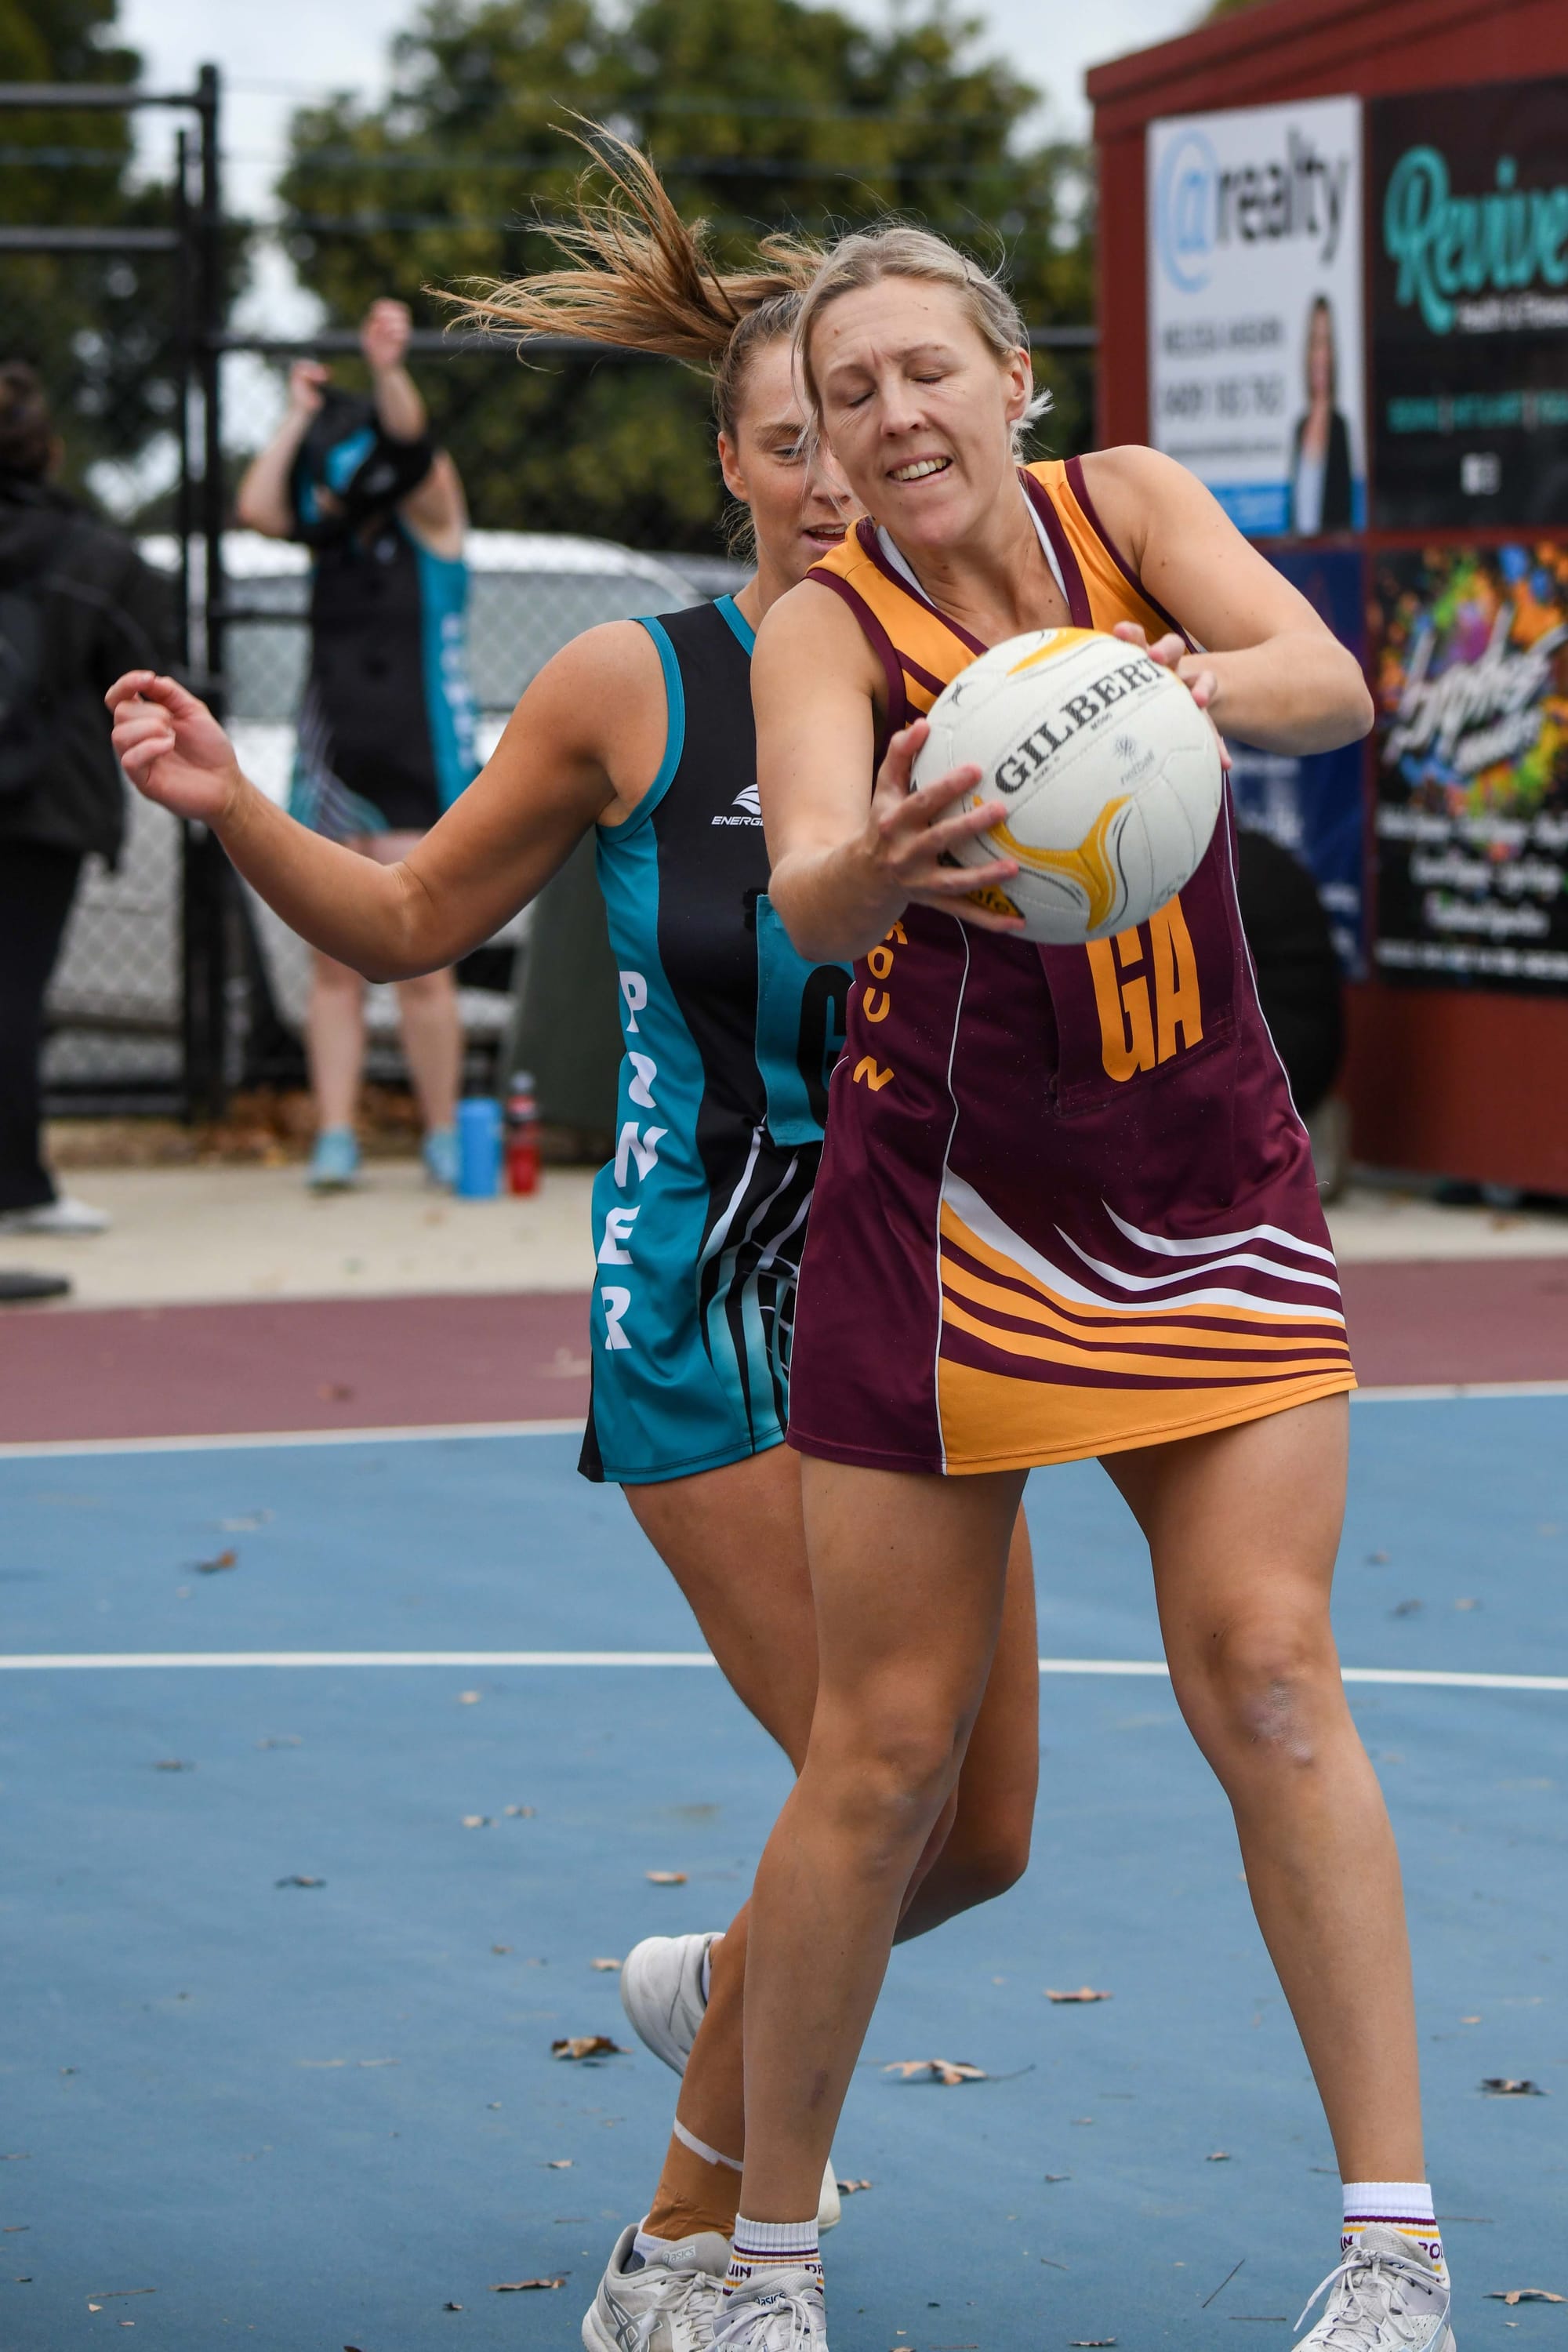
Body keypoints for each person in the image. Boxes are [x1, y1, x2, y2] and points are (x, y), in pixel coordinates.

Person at [106, 138, 1040, 2352]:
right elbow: (421, 912)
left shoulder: (1004, 693)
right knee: (874, 1791)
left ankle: (728, 1983)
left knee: (976, 1838)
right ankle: (684, 2255)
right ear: (733, 457)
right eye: (794, 440)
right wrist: (244, 812)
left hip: (928, 1306)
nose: (838, 478)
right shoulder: (646, 679)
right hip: (712, 1304)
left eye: (864, 433)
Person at [716, 229, 1451, 2352]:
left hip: (1209, 1189)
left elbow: (1328, 676)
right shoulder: (822, 623)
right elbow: (808, 882)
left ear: (1010, 378)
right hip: (951, 1234)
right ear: (829, 446)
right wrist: (898, 854)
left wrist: (1138, 701)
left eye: (927, 371)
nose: (893, 417)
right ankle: (762, 2269)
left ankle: (1396, 2258)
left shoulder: (1130, 508)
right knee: (885, 1763)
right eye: (851, 394)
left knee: (1272, 1671)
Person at [235, 299, 480, 1191]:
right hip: (334, 766)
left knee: (423, 965)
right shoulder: (325, 543)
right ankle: (335, 1135)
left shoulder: (430, 525)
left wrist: (385, 368)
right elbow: (257, 507)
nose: (332, 485)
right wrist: (299, 413)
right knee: (332, 967)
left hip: (421, 763)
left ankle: (443, 1133)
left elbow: (417, 454)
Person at [0, 360, 170, 1238]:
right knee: (16, 991)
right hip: (44, 802)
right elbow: (153, 659)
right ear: (49, 452)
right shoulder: (92, 556)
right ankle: (21, 1185)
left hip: (43, 799)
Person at [1289, 295, 1354, 536]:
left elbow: (1346, 514)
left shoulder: (1340, 427)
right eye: (1314, 342)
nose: (1320, 355)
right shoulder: (1299, 428)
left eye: (1326, 343)